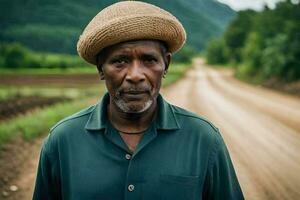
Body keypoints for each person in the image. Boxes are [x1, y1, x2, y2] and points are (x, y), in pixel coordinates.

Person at [32, 1, 244, 200]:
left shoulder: (204, 139)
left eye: (149, 60)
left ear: (166, 65)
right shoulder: (62, 140)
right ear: (100, 69)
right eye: (120, 61)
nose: (135, 75)